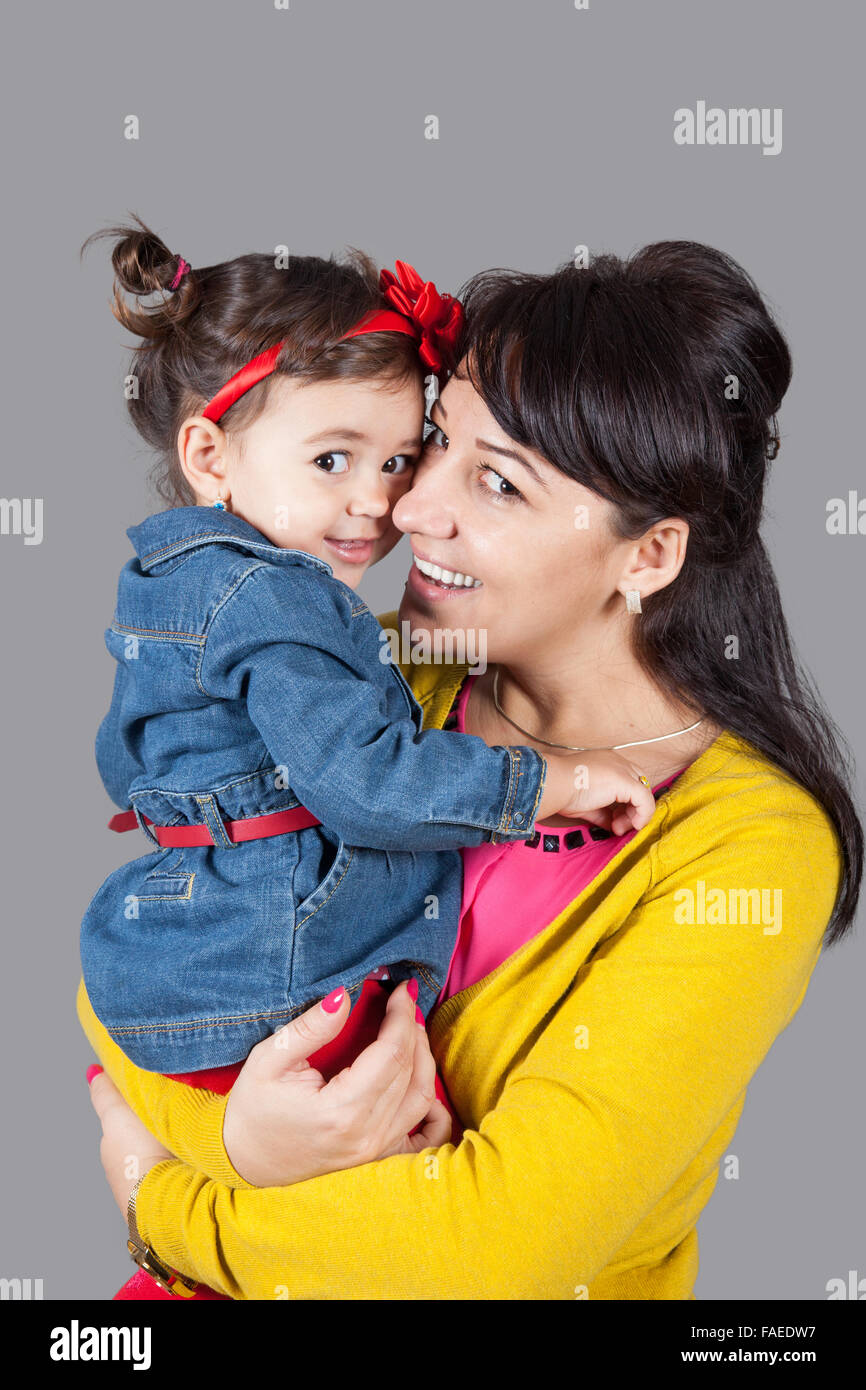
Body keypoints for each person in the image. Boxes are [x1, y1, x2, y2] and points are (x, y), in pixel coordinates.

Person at [83, 240, 862, 1301]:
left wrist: (161, 1195)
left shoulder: (746, 848)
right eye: (434, 443)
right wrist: (248, 1138)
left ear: (648, 556)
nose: (407, 508)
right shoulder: (389, 679)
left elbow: (482, 1256)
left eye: (493, 483)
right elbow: (128, 962)